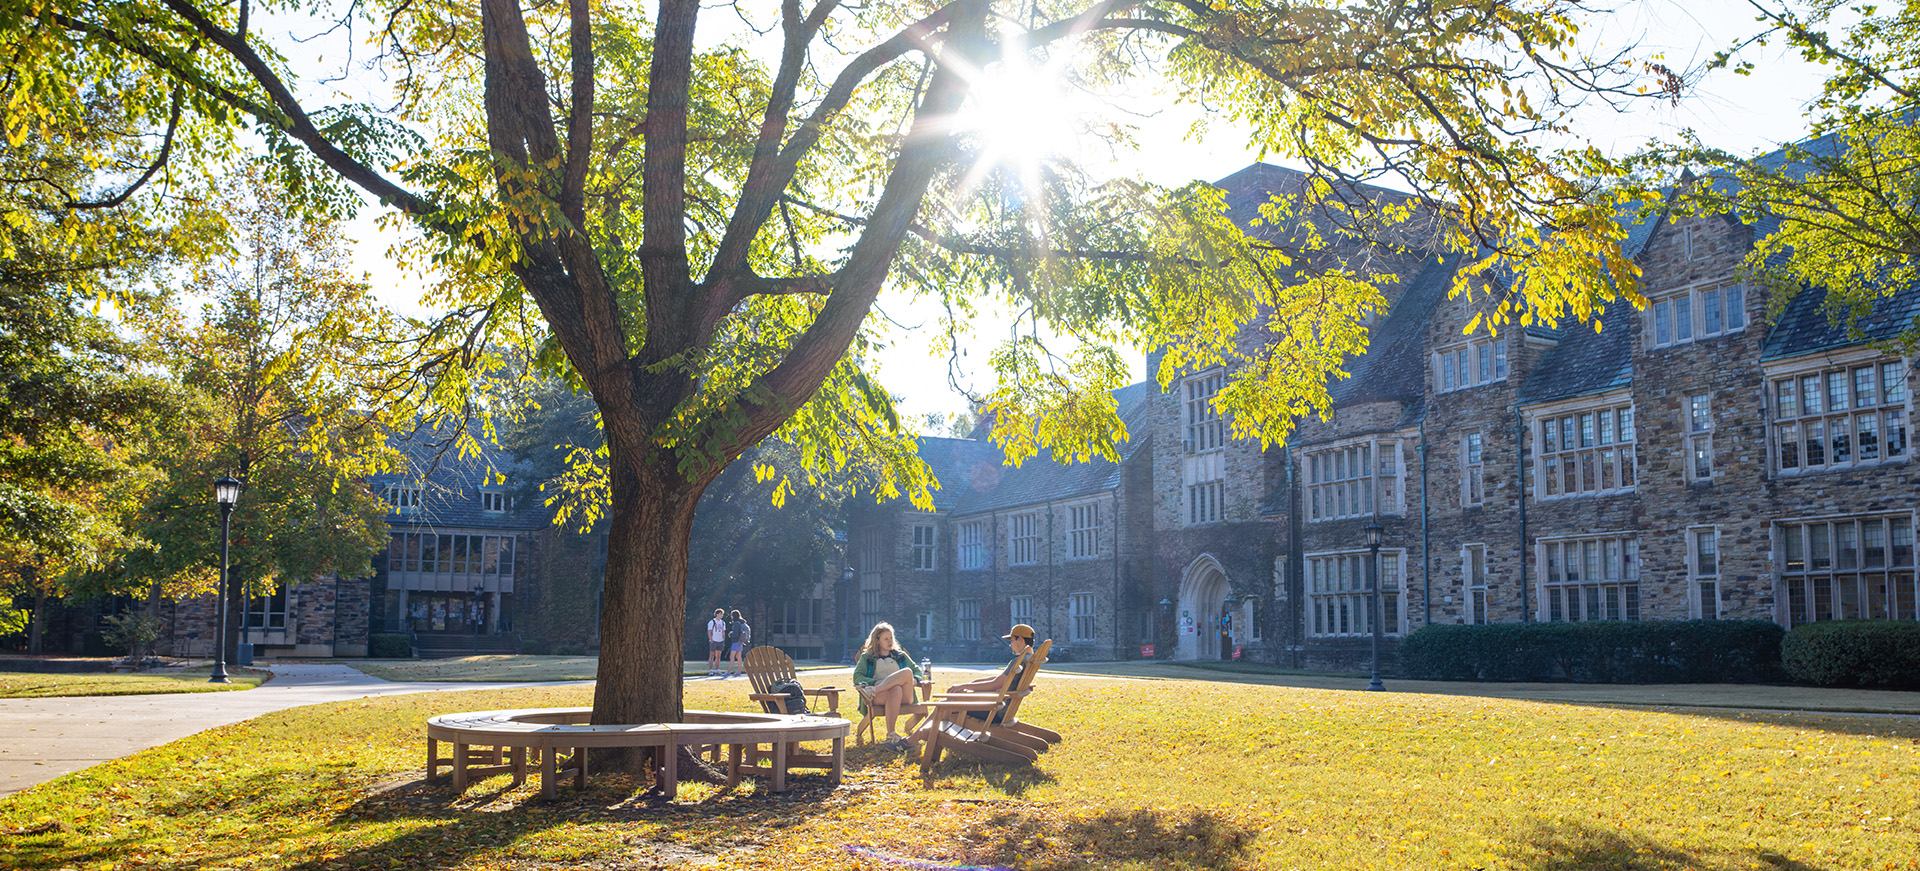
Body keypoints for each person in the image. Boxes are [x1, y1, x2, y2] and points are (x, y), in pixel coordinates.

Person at [852, 622, 926, 746]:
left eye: (891, 638)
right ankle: (891, 734)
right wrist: (874, 682)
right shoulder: (867, 657)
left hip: (904, 695)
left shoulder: (901, 656)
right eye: (886, 639)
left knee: (907, 672)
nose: (890, 641)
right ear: (877, 640)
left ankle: (875, 690)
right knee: (896, 689)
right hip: (881, 697)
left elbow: (917, 671)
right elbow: (857, 677)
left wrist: (916, 680)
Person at [726, 609, 750, 677]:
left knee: (732, 656)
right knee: (738, 657)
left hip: (736, 641)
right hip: (740, 641)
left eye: (731, 615)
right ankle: (738, 672)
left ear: (733, 616)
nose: (731, 617)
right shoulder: (741, 622)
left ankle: (728, 671)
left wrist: (731, 634)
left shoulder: (736, 623)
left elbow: (736, 633)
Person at [706, 608, 727, 677]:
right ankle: (710, 670)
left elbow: (723, 632)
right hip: (714, 640)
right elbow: (709, 631)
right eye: (720, 614)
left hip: (720, 640)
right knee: (711, 655)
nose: (721, 615)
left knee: (718, 656)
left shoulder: (723, 622)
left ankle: (717, 670)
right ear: (717, 614)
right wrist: (711, 639)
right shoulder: (712, 622)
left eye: (722, 614)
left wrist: (723, 639)